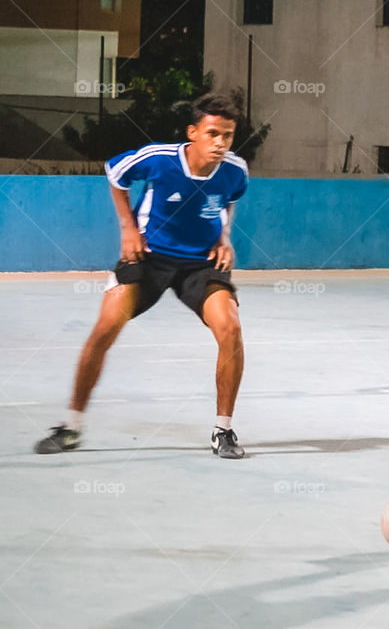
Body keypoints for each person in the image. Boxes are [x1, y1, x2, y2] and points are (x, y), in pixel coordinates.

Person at [34, 93, 249, 459]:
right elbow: (115, 173)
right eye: (213, 133)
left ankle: (223, 431)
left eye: (227, 135)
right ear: (193, 132)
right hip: (149, 257)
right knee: (105, 328)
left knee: (230, 328)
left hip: (200, 263)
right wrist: (127, 229)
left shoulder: (235, 169)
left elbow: (230, 199)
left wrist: (224, 237)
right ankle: (71, 427)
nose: (220, 143)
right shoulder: (159, 159)